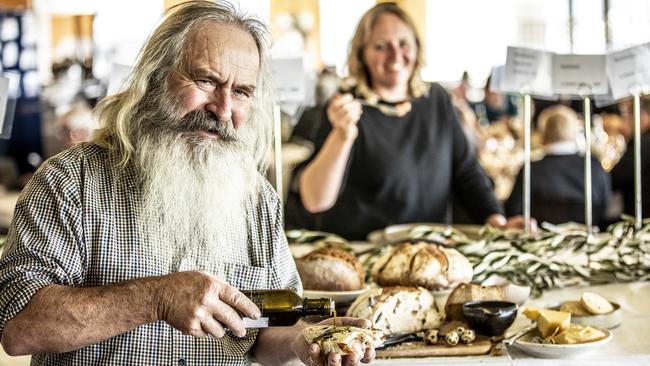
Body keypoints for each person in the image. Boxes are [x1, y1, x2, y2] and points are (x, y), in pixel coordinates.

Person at [0, 2, 374, 365]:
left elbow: (263, 328)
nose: (224, 108)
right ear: (154, 80)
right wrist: (155, 299)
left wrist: (305, 341)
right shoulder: (71, 181)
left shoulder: (257, 199)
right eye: (207, 81)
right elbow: (19, 328)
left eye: (242, 91)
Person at [295, 2, 528, 240]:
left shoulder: (436, 99)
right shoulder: (345, 109)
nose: (395, 55)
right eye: (381, 46)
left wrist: (495, 220)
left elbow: (466, 172)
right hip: (365, 254)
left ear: (417, 48)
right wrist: (342, 136)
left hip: (431, 254)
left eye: (403, 44)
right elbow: (315, 200)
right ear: (361, 54)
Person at [505, 105, 611, 227]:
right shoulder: (593, 166)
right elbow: (604, 209)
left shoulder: (530, 170)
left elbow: (512, 212)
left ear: (542, 133)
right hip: (587, 238)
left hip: (540, 241)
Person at [612, 96, 650, 219]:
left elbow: (615, 179)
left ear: (642, 117)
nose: (625, 123)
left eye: (628, 117)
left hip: (642, 219)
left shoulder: (642, 144)